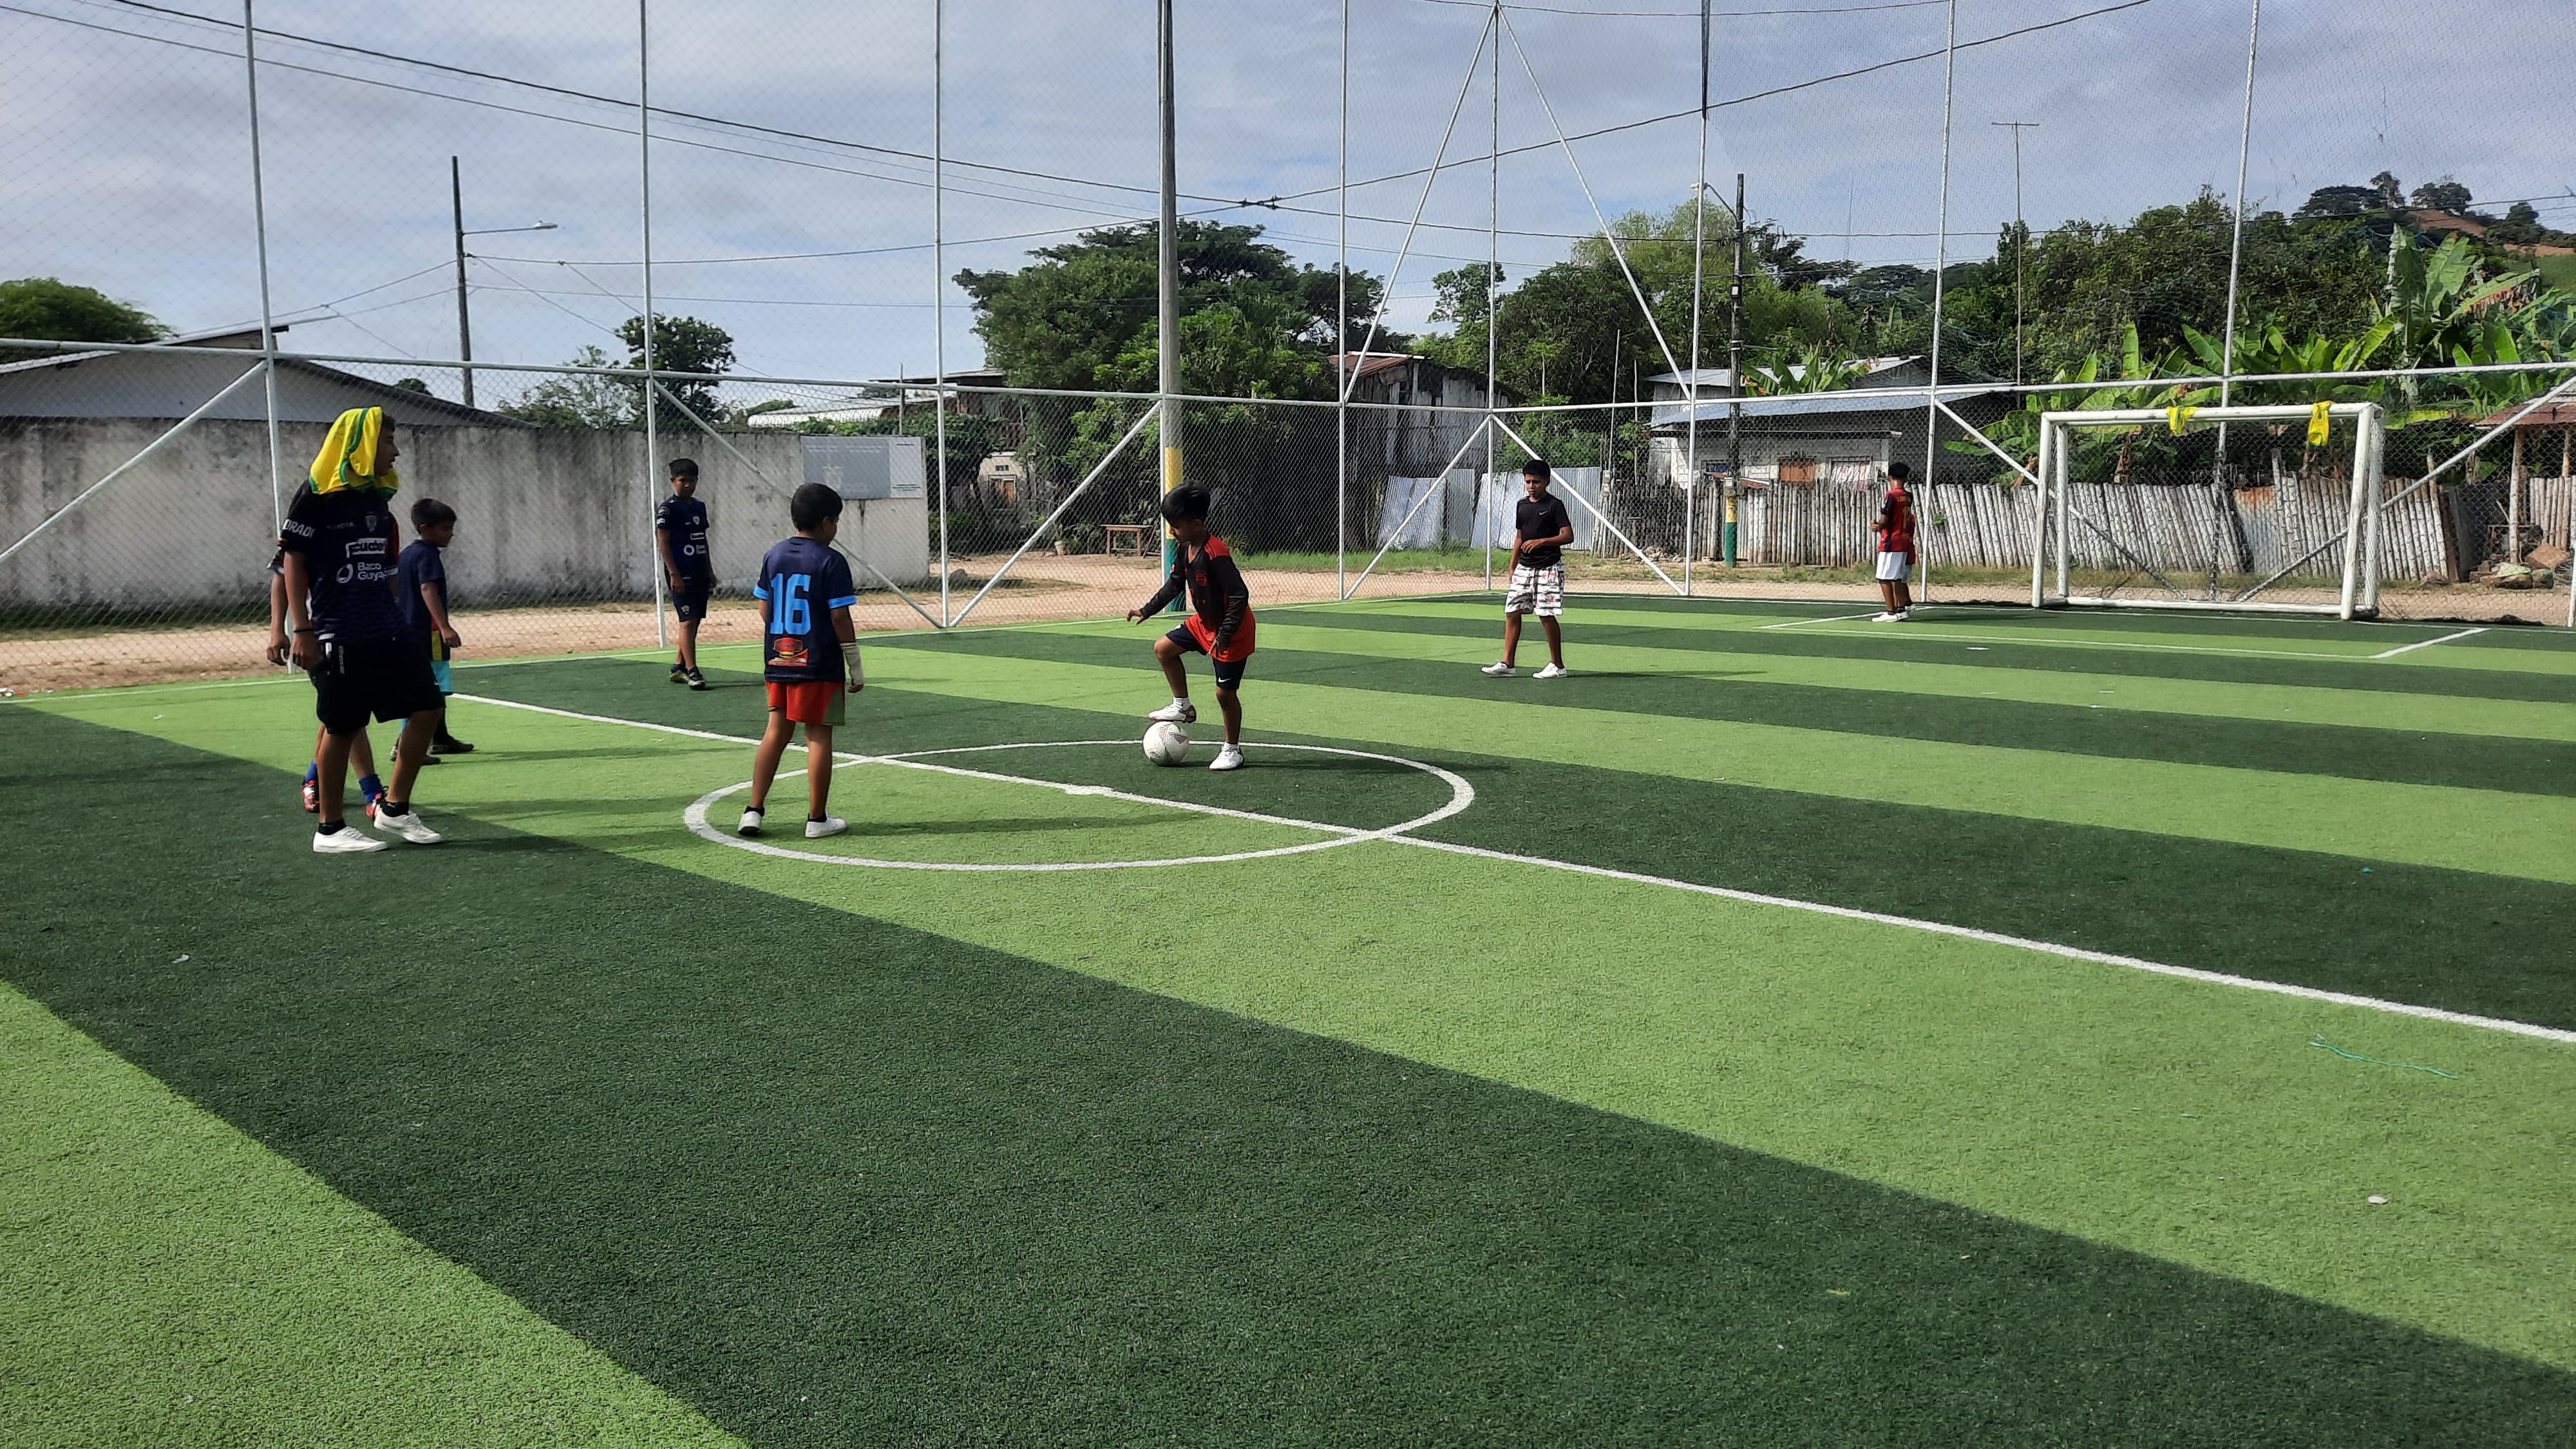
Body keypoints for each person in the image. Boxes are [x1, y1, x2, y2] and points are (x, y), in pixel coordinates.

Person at [279, 406, 444, 853]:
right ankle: (330, 829)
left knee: (428, 708)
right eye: (388, 441)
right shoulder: (315, 496)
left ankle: (395, 809)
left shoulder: (377, 498)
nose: (396, 450)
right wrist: (301, 629)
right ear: (361, 444)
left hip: (386, 627)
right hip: (339, 631)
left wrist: (394, 612)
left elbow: (386, 567)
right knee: (343, 726)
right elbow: (291, 560)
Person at [740, 483, 862, 839]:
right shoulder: (831, 560)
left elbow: (764, 609)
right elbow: (840, 617)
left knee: (776, 732)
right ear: (826, 523)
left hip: (779, 660)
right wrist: (854, 663)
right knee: (818, 736)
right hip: (819, 662)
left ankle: (753, 811)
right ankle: (816, 818)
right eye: (836, 521)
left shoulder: (774, 555)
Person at [1128, 485, 1252, 772]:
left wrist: (1225, 634)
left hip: (1233, 630)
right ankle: (1182, 706)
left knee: (1224, 694)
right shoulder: (1186, 549)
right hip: (1204, 624)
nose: (1172, 531)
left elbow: (1239, 595)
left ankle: (1232, 750)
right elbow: (1174, 585)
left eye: (1176, 526)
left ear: (1196, 524)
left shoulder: (1216, 553)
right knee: (1164, 649)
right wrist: (1147, 610)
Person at [267, 524, 385, 817]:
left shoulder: (371, 517)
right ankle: (372, 794)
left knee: (340, 711)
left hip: (365, 632)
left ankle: (313, 779)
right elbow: (283, 575)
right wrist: (281, 630)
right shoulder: (313, 520)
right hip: (323, 635)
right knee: (347, 714)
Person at [1482, 457, 1572, 678]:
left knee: (1546, 614)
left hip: (1549, 568)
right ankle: (1508, 663)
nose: (1532, 486)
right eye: (1528, 482)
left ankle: (1558, 666)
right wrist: (1512, 565)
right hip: (1525, 567)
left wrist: (1543, 542)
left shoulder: (1554, 505)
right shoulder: (1522, 505)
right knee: (1512, 611)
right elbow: (1519, 537)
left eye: (1536, 482)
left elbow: (1568, 535)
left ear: (1547, 482)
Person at [396, 497, 473, 756]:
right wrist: (445, 627)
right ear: (424, 529)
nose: (450, 534)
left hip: (409, 632)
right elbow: (428, 589)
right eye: (445, 529)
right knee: (429, 689)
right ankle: (403, 746)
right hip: (429, 635)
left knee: (429, 687)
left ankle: (439, 738)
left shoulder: (406, 555)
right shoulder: (427, 555)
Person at [657, 457, 715, 690]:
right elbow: (663, 542)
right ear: (673, 481)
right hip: (681, 572)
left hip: (699, 570)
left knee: (696, 619)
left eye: (692, 480)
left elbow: (702, 539)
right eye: (683, 481)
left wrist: (709, 569)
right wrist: (674, 574)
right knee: (688, 621)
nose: (688, 485)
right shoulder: (668, 508)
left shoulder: (699, 506)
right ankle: (693, 671)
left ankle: (678, 667)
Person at [1872, 460, 1918, 621]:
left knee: (1884, 577)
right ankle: (1901, 609)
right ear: (1906, 478)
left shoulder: (1891, 496)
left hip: (1891, 542)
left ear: (1889, 477)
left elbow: (1885, 520)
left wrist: (1877, 526)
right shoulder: (1908, 496)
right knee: (1897, 577)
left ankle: (1891, 612)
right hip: (1903, 542)